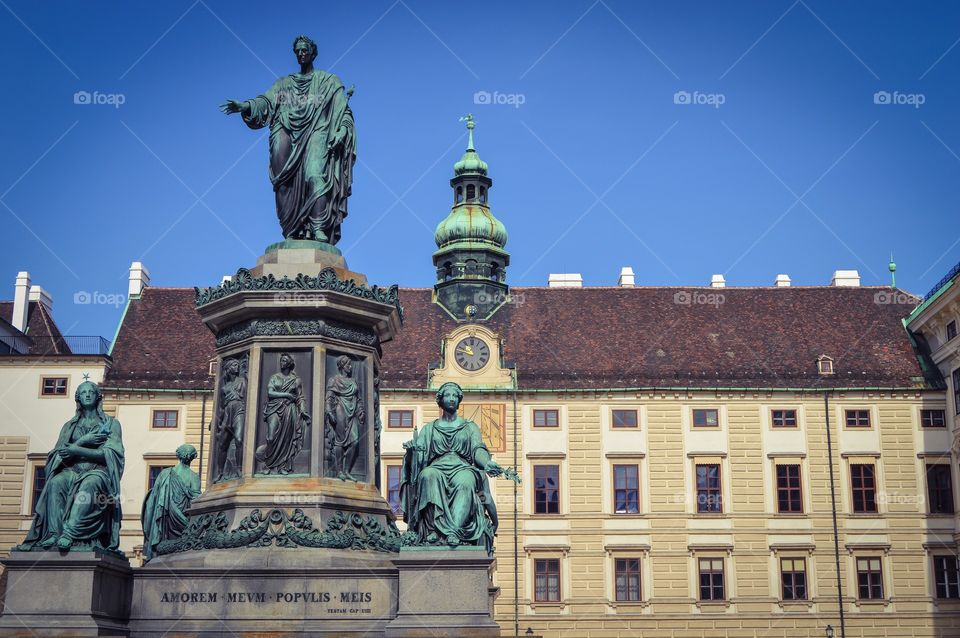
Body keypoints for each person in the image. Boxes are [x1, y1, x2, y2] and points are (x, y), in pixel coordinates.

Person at [220, 35, 356, 243]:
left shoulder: (329, 82)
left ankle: (318, 227)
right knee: (282, 180)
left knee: (314, 174)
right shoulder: (284, 84)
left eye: (304, 50)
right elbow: (265, 100)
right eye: (297, 51)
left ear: (313, 52)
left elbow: (343, 111)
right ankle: (291, 227)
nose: (301, 54)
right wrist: (245, 106)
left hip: (317, 132)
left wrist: (342, 131)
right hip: (285, 130)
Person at [17, 380, 124, 552]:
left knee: (90, 484)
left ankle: (69, 533)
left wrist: (75, 449)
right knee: (55, 483)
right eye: (83, 392)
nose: (87, 394)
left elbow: (110, 454)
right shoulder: (69, 426)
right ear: (78, 399)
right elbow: (59, 455)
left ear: (98, 397)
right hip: (71, 470)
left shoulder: (112, 424)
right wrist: (83, 442)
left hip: (97, 471)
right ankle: (54, 532)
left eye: (91, 392)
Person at [400, 382, 503, 552]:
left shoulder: (470, 427)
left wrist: (487, 463)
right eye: (448, 395)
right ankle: (434, 530)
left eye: (455, 396)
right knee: (427, 475)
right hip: (437, 466)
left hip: (461, 467)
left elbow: (478, 450)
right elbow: (418, 459)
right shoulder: (429, 429)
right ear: (440, 400)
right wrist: (411, 451)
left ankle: (453, 531)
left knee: (466, 481)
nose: (452, 399)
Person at [141, 444, 201, 561]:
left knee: (164, 542)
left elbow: (155, 498)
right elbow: (196, 500)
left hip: (165, 518)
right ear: (193, 457)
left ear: (178, 455)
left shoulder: (165, 473)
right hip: (184, 520)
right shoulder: (194, 477)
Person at [255, 353, 311, 474]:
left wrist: (302, 411)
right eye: (281, 360)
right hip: (274, 409)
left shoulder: (296, 381)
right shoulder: (275, 377)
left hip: (289, 409)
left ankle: (282, 466)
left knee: (287, 439)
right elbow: (270, 393)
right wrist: (286, 394)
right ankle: (268, 464)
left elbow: (300, 397)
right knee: (271, 437)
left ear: (290, 363)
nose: (282, 362)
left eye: (284, 361)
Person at [324, 355, 364, 480]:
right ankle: (339, 470)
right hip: (340, 409)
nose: (350, 367)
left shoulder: (353, 381)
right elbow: (329, 397)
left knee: (355, 441)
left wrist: (360, 410)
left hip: (352, 412)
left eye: (351, 365)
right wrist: (329, 411)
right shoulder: (334, 380)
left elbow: (358, 399)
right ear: (342, 366)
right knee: (340, 441)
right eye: (348, 365)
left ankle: (347, 471)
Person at [214, 357, 246, 482]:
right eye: (233, 365)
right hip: (227, 413)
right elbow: (221, 408)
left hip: (239, 410)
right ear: (228, 369)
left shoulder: (243, 381)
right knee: (222, 444)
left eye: (237, 365)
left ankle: (239, 469)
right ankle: (220, 472)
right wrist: (216, 420)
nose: (236, 367)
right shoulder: (224, 388)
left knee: (239, 439)